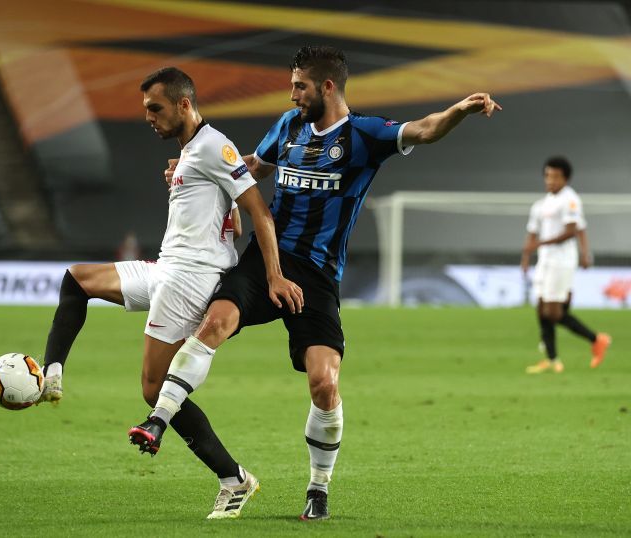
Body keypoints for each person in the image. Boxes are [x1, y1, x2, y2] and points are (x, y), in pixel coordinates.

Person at [129, 45, 502, 520]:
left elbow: (425, 129)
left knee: (325, 385)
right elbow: (251, 167)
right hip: (267, 263)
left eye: (299, 86)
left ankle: (318, 488)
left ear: (327, 86)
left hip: (319, 277)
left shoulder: (365, 135)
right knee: (216, 321)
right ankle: (158, 421)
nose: (292, 95)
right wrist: (192, 170)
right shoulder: (288, 127)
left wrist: (461, 110)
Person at [36, 66, 303, 519]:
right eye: (145, 109)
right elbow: (232, 220)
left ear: (183, 104)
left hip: (190, 279)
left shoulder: (215, 147)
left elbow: (259, 212)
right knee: (76, 280)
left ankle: (233, 479)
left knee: (153, 388)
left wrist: (274, 275)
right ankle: (52, 372)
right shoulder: (191, 153)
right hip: (166, 268)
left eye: (154, 108)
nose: (148, 117)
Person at [522, 156, 611, 374]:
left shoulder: (570, 199)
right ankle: (552, 360)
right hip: (545, 259)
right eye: (547, 176)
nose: (550, 180)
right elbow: (533, 233)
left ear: (566, 178)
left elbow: (573, 230)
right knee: (542, 309)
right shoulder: (543, 203)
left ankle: (596, 339)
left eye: (555, 176)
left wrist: (584, 252)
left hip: (561, 261)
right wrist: (526, 257)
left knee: (553, 312)